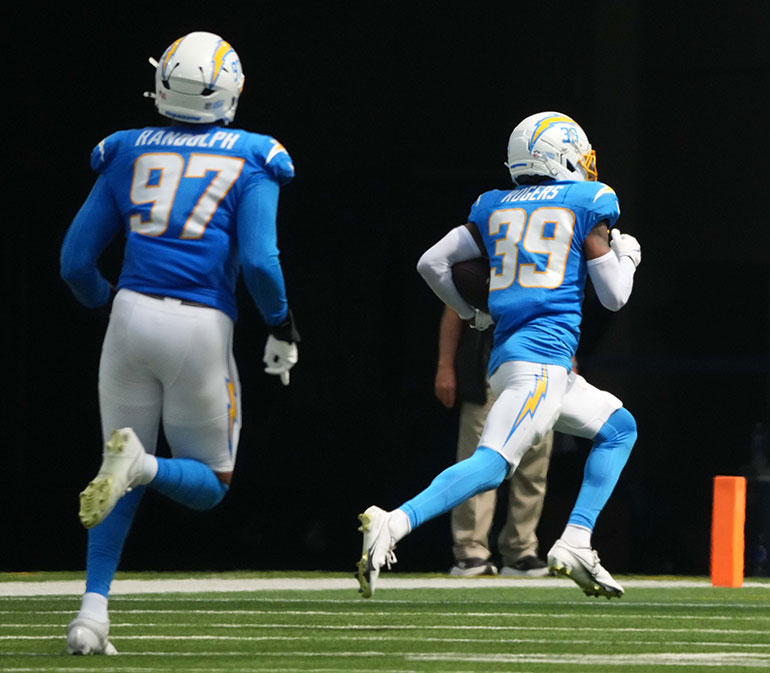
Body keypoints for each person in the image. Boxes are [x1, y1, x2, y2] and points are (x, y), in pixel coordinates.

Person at [58, 32, 300, 655]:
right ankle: (143, 466)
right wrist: (280, 322)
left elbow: (75, 262)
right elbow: (260, 262)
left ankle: (91, 614)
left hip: (129, 315)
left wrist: (109, 304)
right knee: (209, 483)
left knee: (114, 471)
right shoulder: (253, 155)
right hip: (199, 326)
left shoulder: (125, 149)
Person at [357, 111, 640, 600]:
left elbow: (431, 262)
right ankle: (395, 522)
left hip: (512, 358)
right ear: (565, 156)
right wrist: (628, 254)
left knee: (619, 428)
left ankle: (575, 539)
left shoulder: (493, 206)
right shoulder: (586, 202)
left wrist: (473, 313)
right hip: (543, 363)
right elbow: (614, 296)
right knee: (493, 464)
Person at [435, 305, 553, 577]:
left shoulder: (552, 267)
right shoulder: (487, 262)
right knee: (478, 464)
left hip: (541, 374)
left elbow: (562, 315)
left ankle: (521, 551)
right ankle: (470, 551)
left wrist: (569, 363)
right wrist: (445, 365)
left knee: (534, 466)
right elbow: (454, 310)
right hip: (489, 373)